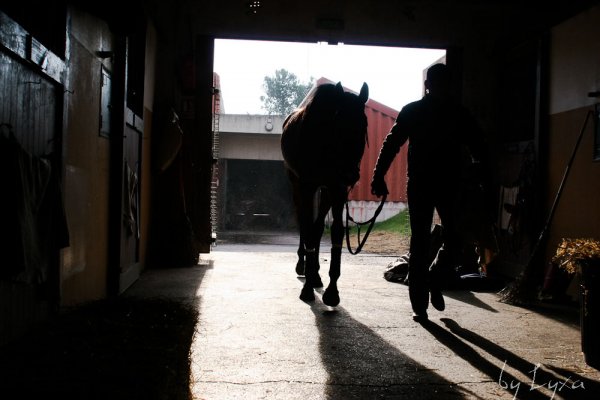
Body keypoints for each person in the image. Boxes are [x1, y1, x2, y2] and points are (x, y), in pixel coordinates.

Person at [370, 63, 488, 321]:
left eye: (447, 83)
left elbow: (479, 144)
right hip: (427, 184)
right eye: (441, 83)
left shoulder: (455, 113)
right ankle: (419, 304)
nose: (444, 88)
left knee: (451, 240)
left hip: (444, 184)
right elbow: (392, 143)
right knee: (423, 241)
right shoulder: (422, 112)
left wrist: (481, 169)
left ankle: (434, 278)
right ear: (430, 86)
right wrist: (378, 175)